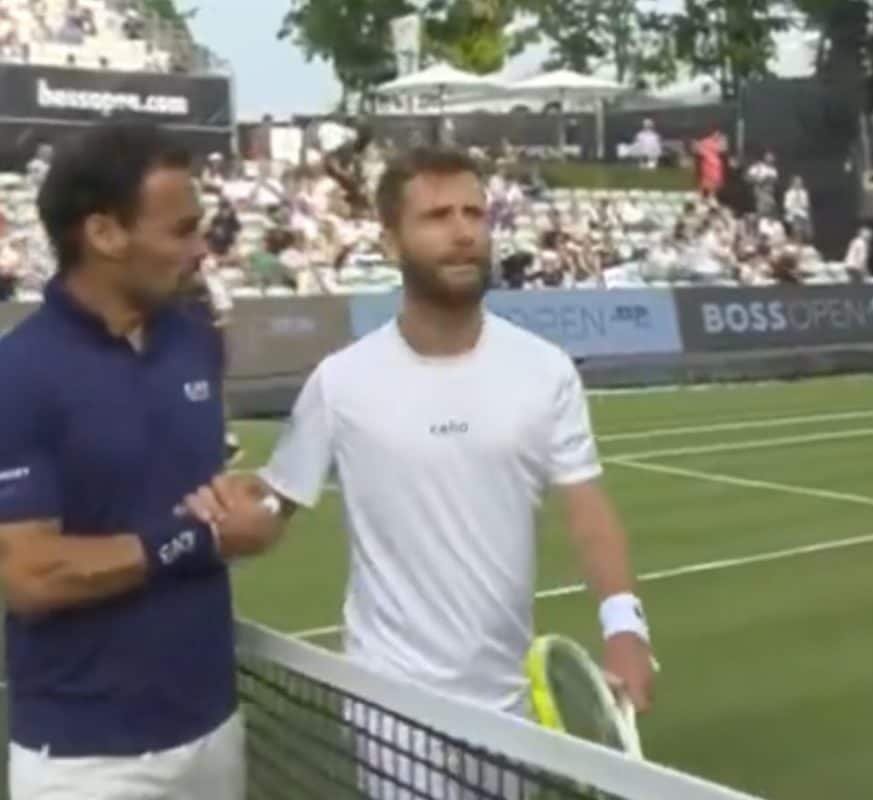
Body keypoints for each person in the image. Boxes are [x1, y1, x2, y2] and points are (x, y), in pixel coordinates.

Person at [182, 148, 657, 793]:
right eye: (437, 216)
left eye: (474, 214)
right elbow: (276, 501)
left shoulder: (545, 370)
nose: (462, 232)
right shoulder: (341, 381)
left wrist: (625, 627)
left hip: (507, 706)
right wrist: (239, 514)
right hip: (391, 706)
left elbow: (587, 509)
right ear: (390, 240)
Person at [0, 123, 282, 799]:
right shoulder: (19, 373)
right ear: (104, 233)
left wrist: (243, 504)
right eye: (181, 230)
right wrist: (200, 539)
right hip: (86, 762)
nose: (201, 250)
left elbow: (194, 495)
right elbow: (30, 576)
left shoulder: (195, 340)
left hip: (214, 729)